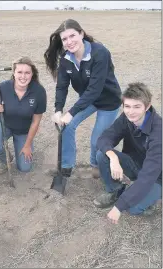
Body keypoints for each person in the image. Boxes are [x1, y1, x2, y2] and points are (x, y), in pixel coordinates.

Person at [44, 19, 121, 178]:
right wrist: (59, 110)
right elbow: (61, 86)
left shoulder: (100, 53)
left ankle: (96, 165)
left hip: (108, 101)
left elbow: (95, 89)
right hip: (88, 100)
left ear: (82, 34)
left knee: (96, 140)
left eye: (72, 36)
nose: (69, 42)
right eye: (64, 39)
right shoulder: (66, 59)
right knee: (66, 126)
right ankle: (66, 167)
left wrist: (71, 112)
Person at [94, 82, 162, 224]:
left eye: (137, 107)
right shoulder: (126, 118)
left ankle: (153, 198)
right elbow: (105, 138)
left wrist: (119, 207)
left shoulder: (158, 131)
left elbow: (149, 174)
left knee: (132, 209)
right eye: (127, 106)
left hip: (156, 176)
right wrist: (113, 158)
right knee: (103, 155)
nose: (131, 112)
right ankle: (116, 190)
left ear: (147, 106)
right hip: (135, 163)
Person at [0, 56, 47, 174]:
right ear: (14, 73)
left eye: (27, 73)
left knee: (25, 168)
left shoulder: (39, 92)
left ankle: (23, 145)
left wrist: (27, 145)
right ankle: (5, 159)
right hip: (4, 124)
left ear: (32, 74)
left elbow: (36, 122)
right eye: (19, 72)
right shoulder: (3, 87)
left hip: (24, 130)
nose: (23, 76)